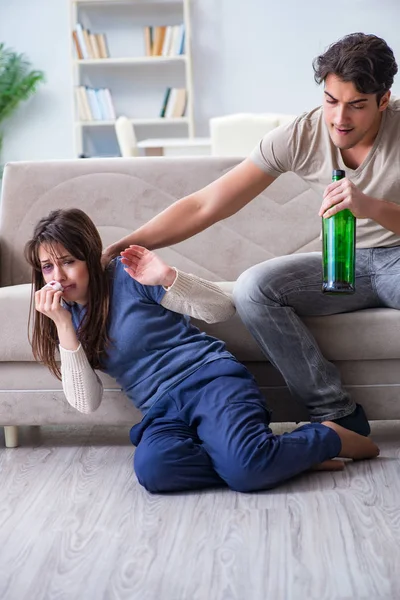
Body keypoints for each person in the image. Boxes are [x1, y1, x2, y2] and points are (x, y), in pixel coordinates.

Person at [103, 32, 400, 437]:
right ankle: (338, 415)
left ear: (384, 100)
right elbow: (207, 203)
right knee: (253, 289)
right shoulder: (302, 135)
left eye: (357, 106)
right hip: (344, 261)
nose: (340, 119)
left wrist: (369, 206)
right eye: (331, 101)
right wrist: (128, 242)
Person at [25, 208, 378, 494]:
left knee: (246, 474)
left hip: (211, 382)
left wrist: (167, 278)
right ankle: (268, 456)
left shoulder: (128, 274)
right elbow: (87, 403)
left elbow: (222, 309)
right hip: (161, 411)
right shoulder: (60, 313)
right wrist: (64, 327)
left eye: (68, 261)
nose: (58, 276)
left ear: (88, 256)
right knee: (156, 472)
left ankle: (328, 437)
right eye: (47, 266)